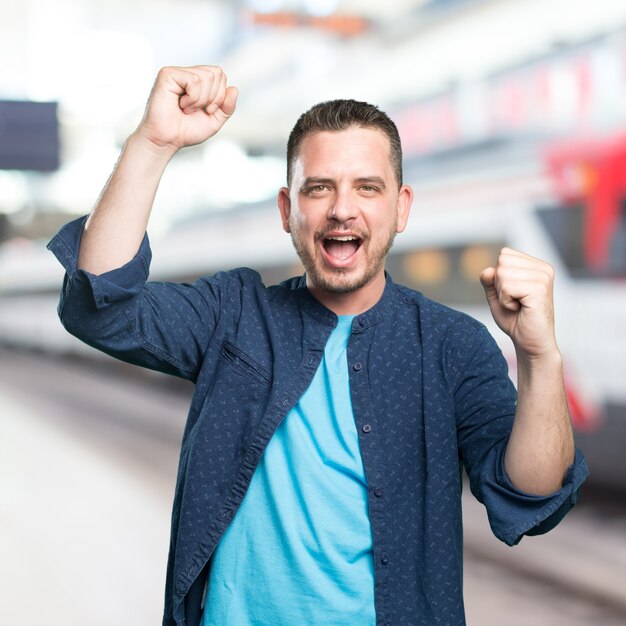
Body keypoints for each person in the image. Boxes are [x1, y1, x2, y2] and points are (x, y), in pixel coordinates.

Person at [48, 65, 588, 626]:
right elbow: (100, 307)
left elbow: (529, 498)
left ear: (401, 208)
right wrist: (153, 142)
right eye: (319, 187)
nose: (341, 209)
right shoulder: (233, 314)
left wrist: (540, 357)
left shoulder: (452, 346)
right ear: (288, 210)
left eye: (367, 187)